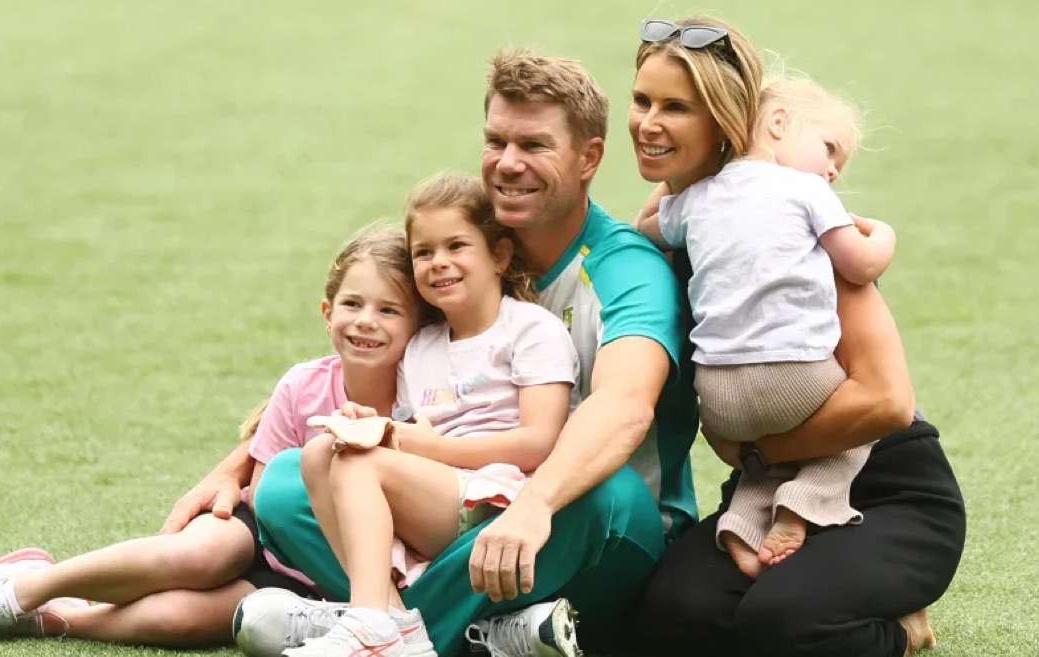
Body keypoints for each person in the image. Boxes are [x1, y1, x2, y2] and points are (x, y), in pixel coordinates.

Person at [238, 49, 698, 657]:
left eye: (533, 145)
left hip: (586, 526)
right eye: (496, 141)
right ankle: (476, 634)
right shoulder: (459, 254)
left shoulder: (624, 270)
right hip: (460, 508)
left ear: (588, 158)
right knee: (287, 481)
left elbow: (624, 407)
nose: (507, 164)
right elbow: (373, 354)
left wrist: (534, 505)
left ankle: (358, 622)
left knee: (606, 497)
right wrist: (244, 454)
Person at [623, 17, 966, 657]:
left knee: (784, 624)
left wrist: (753, 444)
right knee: (673, 618)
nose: (649, 122)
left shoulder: (799, 236)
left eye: (677, 107)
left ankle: (898, 623)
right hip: (769, 480)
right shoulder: (686, 223)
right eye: (642, 101)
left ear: (727, 118)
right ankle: (806, 566)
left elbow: (887, 404)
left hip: (883, 482)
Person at [0, 225, 425, 647]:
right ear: (326, 311)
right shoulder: (304, 384)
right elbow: (270, 498)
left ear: (419, 327)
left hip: (335, 578)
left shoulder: (421, 400)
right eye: (353, 304)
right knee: (199, 556)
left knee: (185, 622)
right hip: (268, 536)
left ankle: (55, 615)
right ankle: (25, 585)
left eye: (388, 310)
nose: (366, 322)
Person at [274, 173, 580, 657]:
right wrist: (366, 423)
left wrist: (413, 443)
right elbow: (413, 430)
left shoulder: (530, 329)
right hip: (440, 490)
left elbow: (539, 441)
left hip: (501, 498)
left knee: (358, 461)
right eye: (424, 252)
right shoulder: (422, 347)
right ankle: (394, 629)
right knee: (319, 454)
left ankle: (372, 621)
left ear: (498, 255)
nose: (439, 263)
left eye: (456, 246)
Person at [637, 74, 901, 576]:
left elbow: (645, 231)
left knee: (770, 454)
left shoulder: (697, 199)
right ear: (778, 123)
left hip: (717, 399)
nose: (831, 171)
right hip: (794, 378)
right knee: (852, 431)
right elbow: (862, 266)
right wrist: (883, 233)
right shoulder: (804, 190)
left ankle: (742, 520)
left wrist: (679, 184)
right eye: (829, 149)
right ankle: (803, 503)